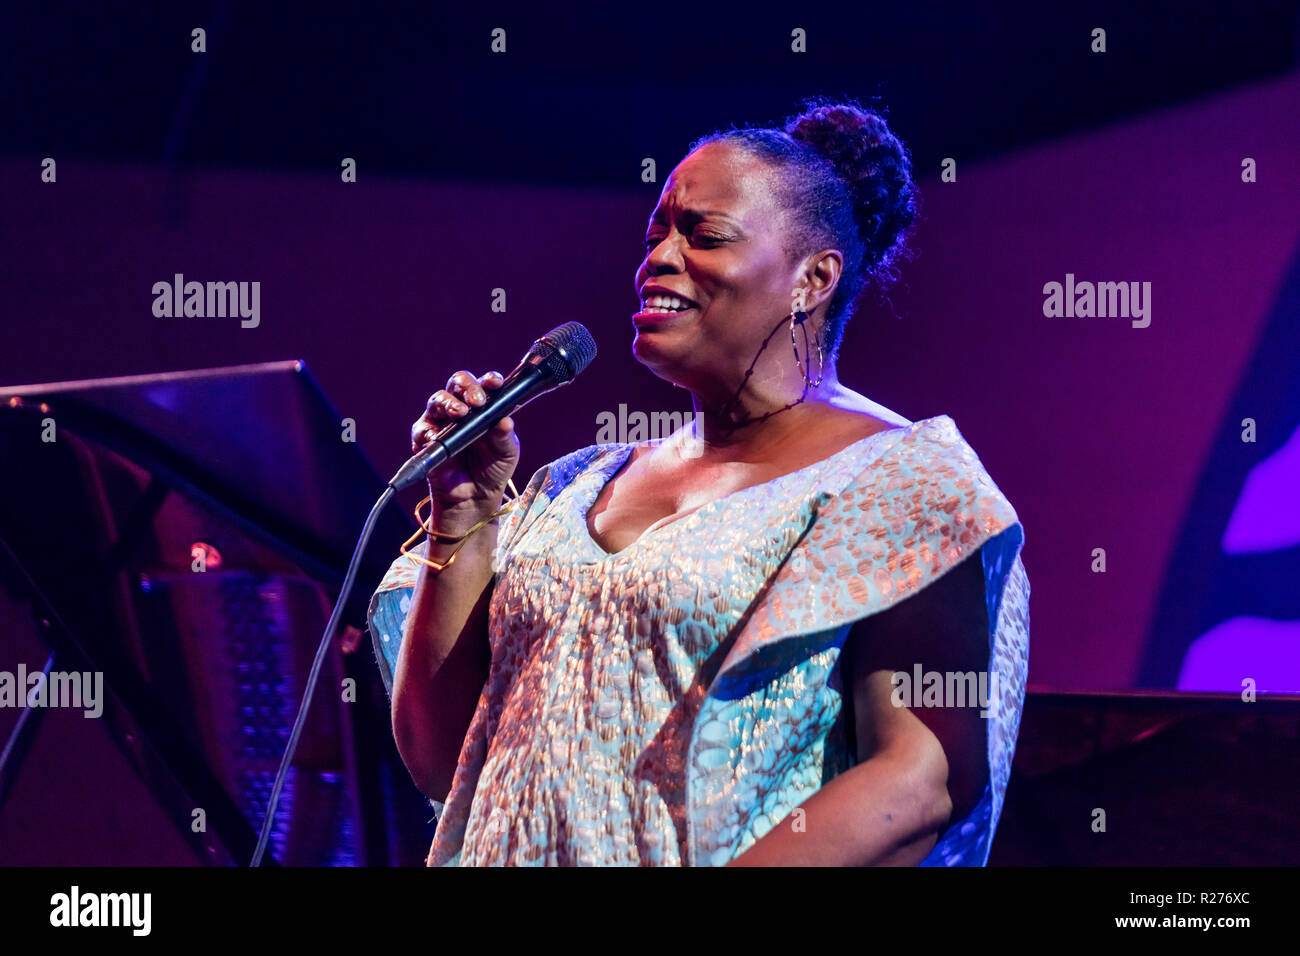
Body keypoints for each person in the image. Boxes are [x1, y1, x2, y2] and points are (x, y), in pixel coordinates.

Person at [368, 97, 1029, 866]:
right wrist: (466, 512)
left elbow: (920, 780)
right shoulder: (571, 484)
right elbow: (444, 761)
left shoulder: (898, 478)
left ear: (813, 279)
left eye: (703, 235)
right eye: (656, 234)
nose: (659, 257)